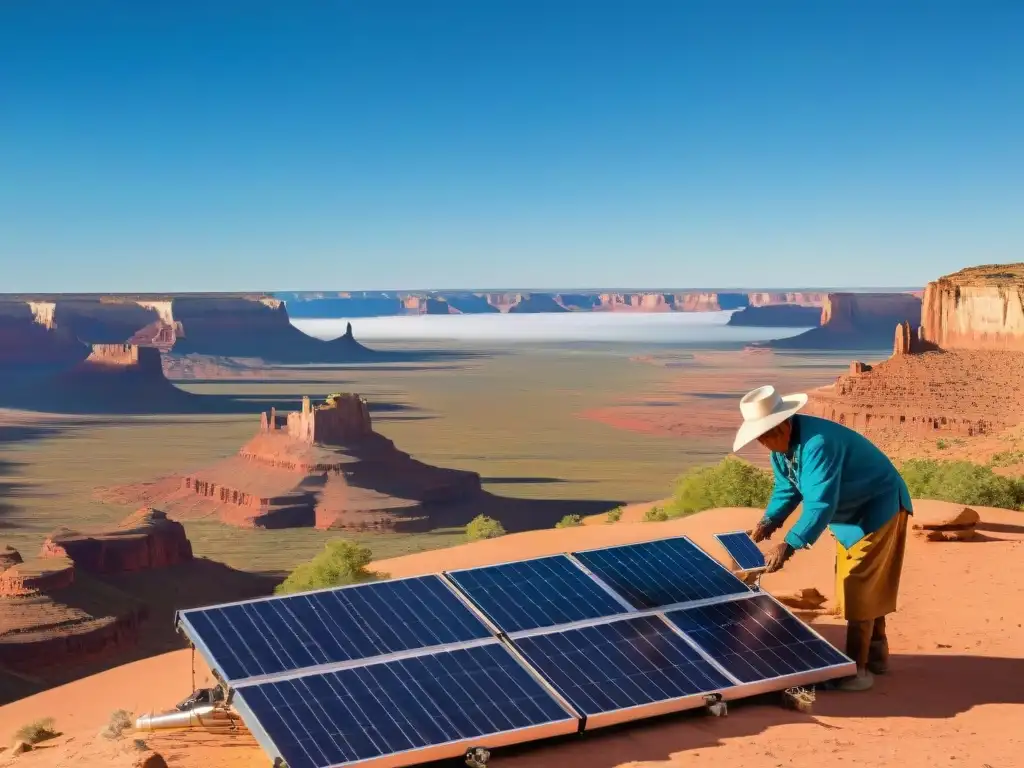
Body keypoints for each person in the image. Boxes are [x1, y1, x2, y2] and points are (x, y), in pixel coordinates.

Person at [732, 385, 912, 692]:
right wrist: (767, 522)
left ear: (783, 425)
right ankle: (878, 655)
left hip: (877, 510)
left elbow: (820, 503)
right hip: (849, 518)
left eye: (765, 435)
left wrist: (788, 545)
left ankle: (857, 670)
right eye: (758, 437)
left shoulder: (817, 444)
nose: (762, 442)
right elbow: (787, 489)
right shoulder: (783, 448)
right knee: (860, 585)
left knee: (858, 582)